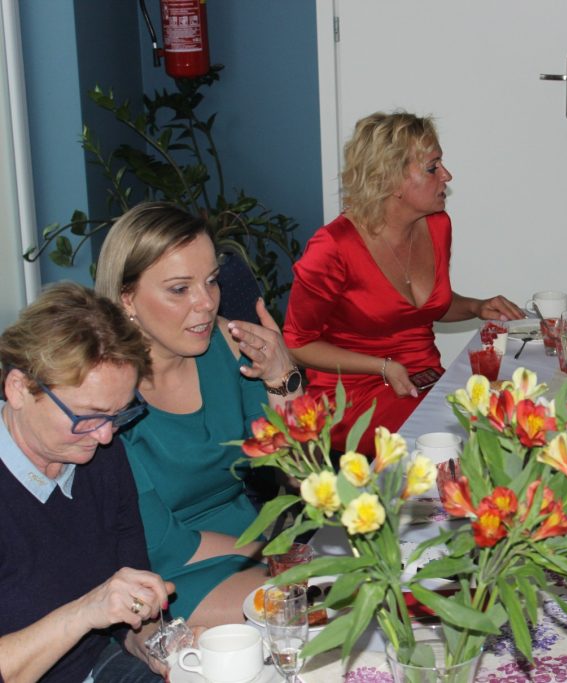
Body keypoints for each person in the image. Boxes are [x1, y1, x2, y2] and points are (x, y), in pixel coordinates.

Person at [95, 202, 303, 626]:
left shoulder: (227, 345)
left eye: (211, 281)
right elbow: (163, 542)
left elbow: (302, 474)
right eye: (179, 289)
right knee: (313, 604)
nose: (206, 303)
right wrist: (278, 559)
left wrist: (282, 378)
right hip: (162, 574)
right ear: (127, 298)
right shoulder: (107, 391)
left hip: (250, 543)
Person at [283, 111, 522, 453]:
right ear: (391, 179)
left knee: (507, 413)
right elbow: (297, 344)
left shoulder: (438, 225)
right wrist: (382, 367)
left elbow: (425, 307)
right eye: (432, 167)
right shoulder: (333, 247)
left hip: (422, 382)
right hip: (353, 396)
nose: (447, 175)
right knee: (462, 441)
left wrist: (476, 306)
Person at [0, 282, 173, 682]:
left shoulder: (100, 457)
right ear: (19, 388)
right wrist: (86, 611)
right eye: (88, 416)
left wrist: (163, 646)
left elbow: (130, 612)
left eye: (118, 414)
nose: (106, 436)